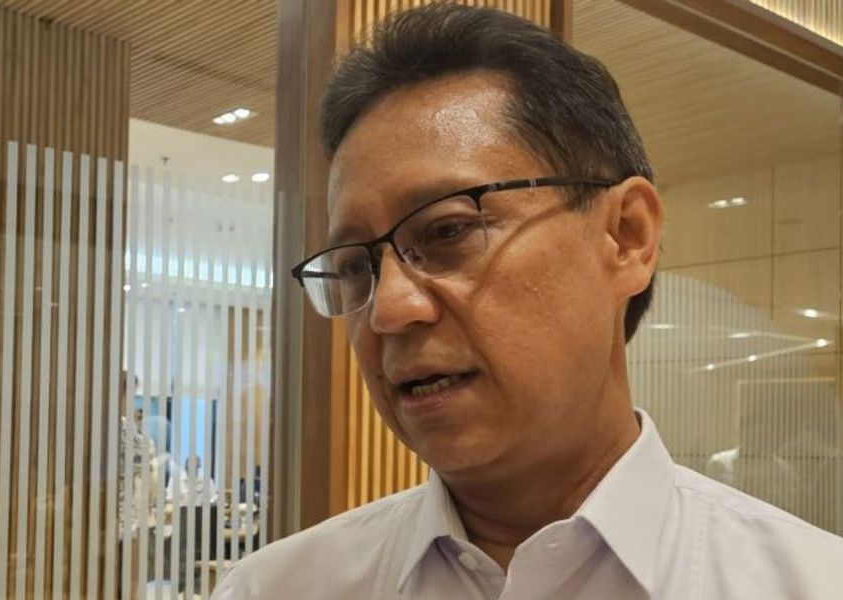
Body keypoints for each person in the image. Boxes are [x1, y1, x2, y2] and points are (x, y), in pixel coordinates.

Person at [214, 4, 843, 599]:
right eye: (356, 267)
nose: (390, 310)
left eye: (449, 230)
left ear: (626, 236)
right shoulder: (277, 588)